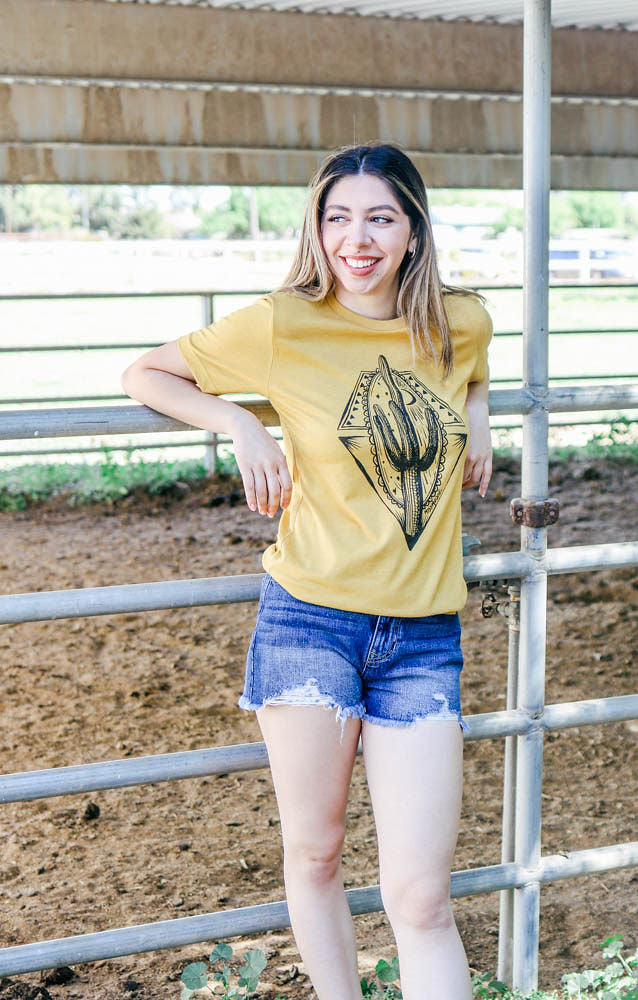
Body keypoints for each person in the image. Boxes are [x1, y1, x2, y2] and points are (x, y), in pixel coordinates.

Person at [121, 142, 493, 1000]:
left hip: (423, 636)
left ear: (413, 231)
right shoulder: (282, 325)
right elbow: (146, 372)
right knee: (317, 853)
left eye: (380, 219)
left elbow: (471, 368)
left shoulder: (462, 321)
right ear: (317, 230)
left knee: (422, 896)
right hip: (310, 622)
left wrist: (478, 409)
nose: (357, 240)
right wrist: (240, 423)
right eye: (338, 218)